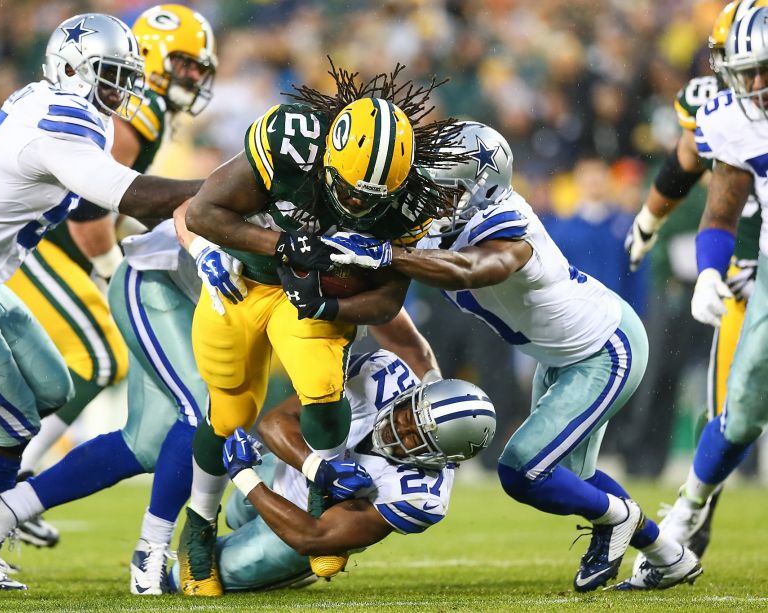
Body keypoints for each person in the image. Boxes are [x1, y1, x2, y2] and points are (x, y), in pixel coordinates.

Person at [0, 13, 203, 593]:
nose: (123, 89)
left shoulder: (61, 106)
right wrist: (243, 183)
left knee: (54, 389)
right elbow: (135, 196)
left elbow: (131, 197)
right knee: (14, 425)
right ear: (72, 67)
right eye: (110, 74)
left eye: (127, 76)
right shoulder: (62, 125)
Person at [325, 121, 701, 591]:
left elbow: (471, 268)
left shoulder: (508, 224)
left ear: (482, 189)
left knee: (522, 469)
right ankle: (670, 556)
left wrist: (385, 255)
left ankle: (619, 518)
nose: (431, 198)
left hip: (605, 347)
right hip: (561, 355)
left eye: (445, 190)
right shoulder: (436, 219)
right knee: (571, 477)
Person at [177, 64, 469, 595]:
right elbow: (202, 212)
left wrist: (330, 308)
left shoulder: (412, 202)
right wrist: (280, 245)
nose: (357, 204)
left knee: (321, 381)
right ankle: (197, 521)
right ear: (327, 155)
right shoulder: (292, 142)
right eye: (351, 190)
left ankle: (322, 486)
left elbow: (385, 303)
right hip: (243, 279)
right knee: (229, 410)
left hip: (310, 298)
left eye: (370, 197)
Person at [164, 349, 494, 592]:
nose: (399, 430)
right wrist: (319, 469)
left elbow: (313, 536)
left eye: (417, 440)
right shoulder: (382, 373)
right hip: (286, 465)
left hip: (308, 526)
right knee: (237, 514)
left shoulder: (422, 497)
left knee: (181, 582)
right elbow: (275, 423)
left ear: (441, 460)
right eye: (409, 416)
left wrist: (243, 475)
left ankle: (297, 568)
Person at [622, 0, 765, 550]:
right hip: (744, 278)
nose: (752, 81)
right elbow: (687, 168)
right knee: (730, 410)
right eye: (741, 64)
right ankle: (691, 523)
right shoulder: (722, 112)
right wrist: (648, 220)